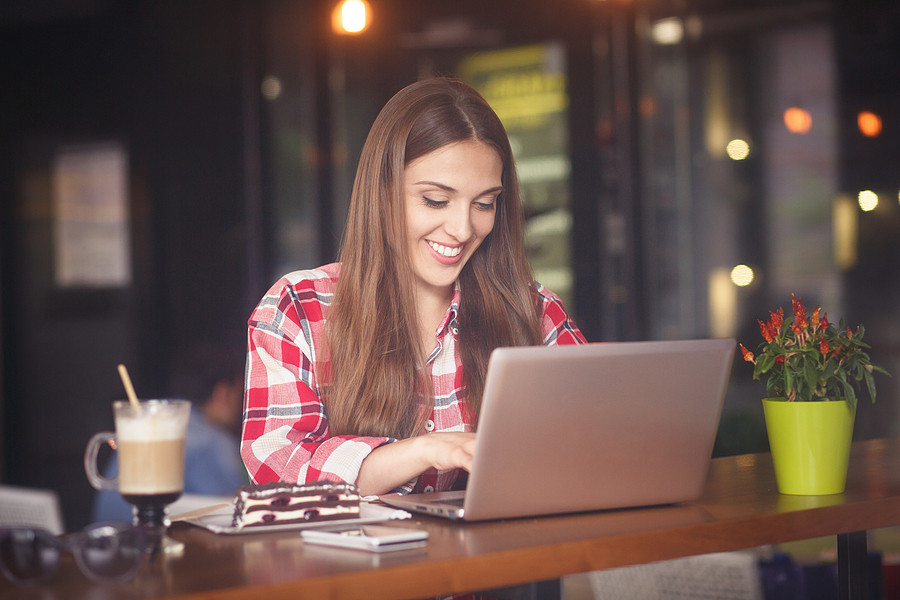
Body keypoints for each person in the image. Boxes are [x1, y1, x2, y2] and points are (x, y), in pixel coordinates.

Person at [241, 77, 586, 498]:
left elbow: (591, 448)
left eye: (484, 203)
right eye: (436, 201)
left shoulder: (534, 312)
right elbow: (279, 471)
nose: (462, 230)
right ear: (383, 191)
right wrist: (423, 452)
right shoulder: (299, 308)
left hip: (501, 561)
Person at [92, 343, 248, 523]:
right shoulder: (212, 441)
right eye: (241, 395)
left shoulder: (149, 424)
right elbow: (236, 510)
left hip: (109, 538)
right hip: (150, 537)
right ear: (224, 394)